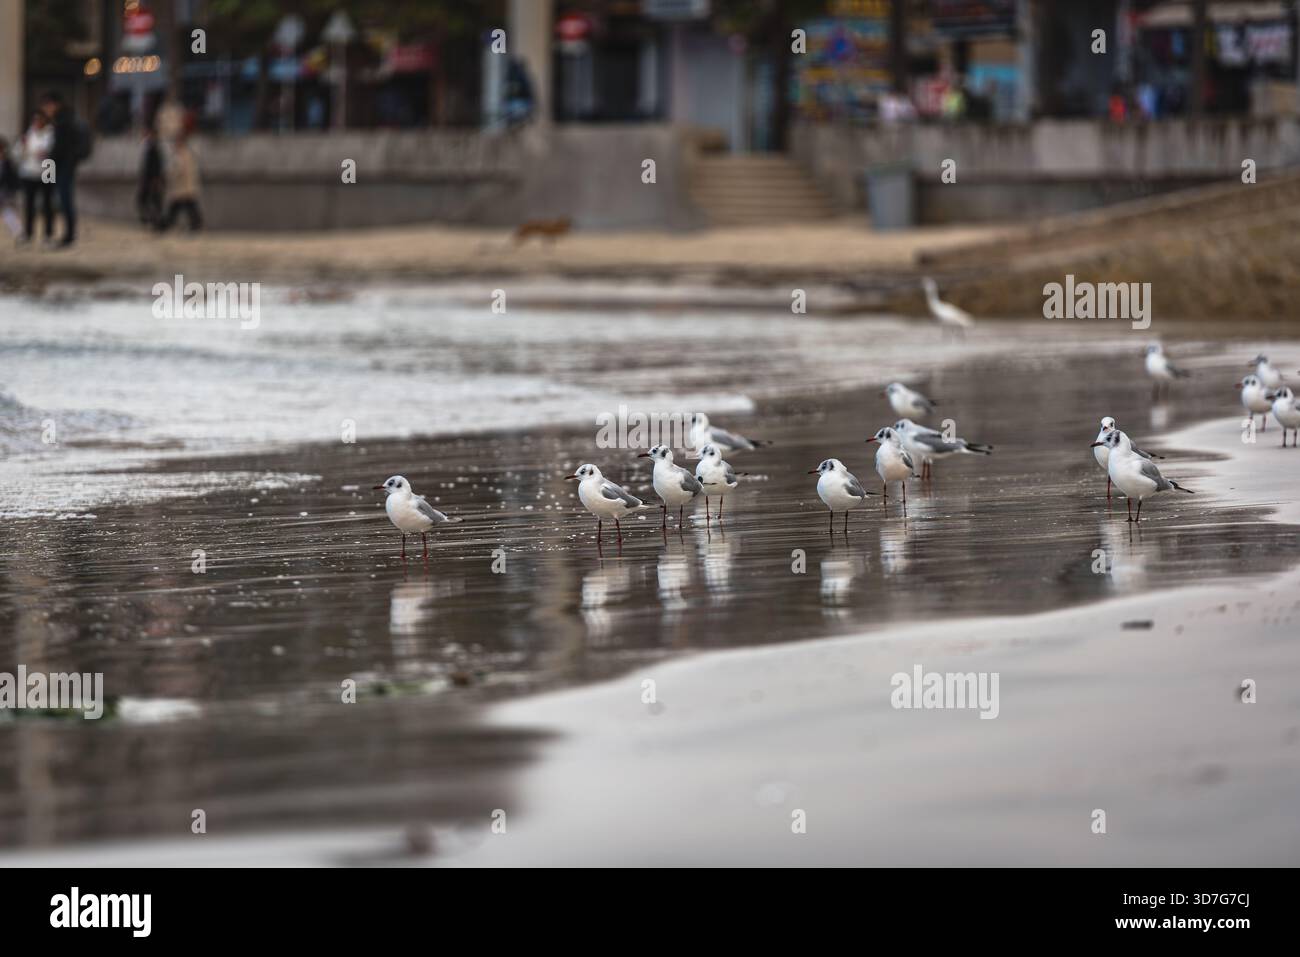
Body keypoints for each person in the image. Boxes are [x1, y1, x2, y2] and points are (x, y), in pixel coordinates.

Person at [41, 90, 88, 248]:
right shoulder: (66, 118)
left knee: (63, 199)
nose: (46, 110)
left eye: (47, 105)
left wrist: (47, 165)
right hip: (62, 164)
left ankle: (67, 235)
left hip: (61, 165)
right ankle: (64, 234)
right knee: (62, 199)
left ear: (54, 104)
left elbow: (59, 148)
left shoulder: (63, 121)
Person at [18, 110, 55, 245]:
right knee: (29, 204)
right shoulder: (29, 133)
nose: (37, 123)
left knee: (47, 204)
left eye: (40, 120)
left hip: (47, 169)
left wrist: (44, 153)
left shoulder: (51, 133)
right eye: (35, 120)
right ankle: (28, 233)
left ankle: (48, 234)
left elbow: (50, 150)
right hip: (29, 171)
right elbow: (21, 152)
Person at [156, 129, 202, 233]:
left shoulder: (181, 155)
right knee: (188, 207)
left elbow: (177, 170)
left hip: (182, 187)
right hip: (187, 187)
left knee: (176, 208)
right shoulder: (188, 153)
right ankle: (195, 225)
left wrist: (168, 177)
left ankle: (164, 225)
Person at [136, 125, 164, 228]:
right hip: (148, 180)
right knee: (145, 201)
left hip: (152, 181)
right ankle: (151, 221)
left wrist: (156, 180)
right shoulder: (148, 147)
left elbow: (157, 167)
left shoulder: (154, 149)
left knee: (153, 202)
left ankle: (154, 222)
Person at [0, 136, 21, 240]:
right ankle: (18, 232)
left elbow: (12, 178)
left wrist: (12, 190)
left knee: (7, 212)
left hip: (5, 191)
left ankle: (18, 231)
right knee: (7, 212)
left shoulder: (7, 163)